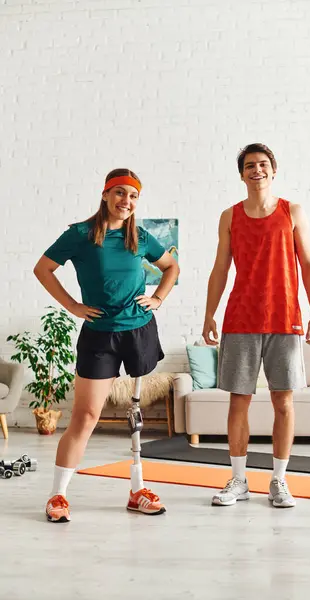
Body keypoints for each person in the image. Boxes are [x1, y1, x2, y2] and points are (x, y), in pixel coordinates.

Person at [34, 168, 179, 522]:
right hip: (99, 334)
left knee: (135, 416)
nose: (125, 201)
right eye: (119, 193)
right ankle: (58, 495)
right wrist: (71, 306)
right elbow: (43, 269)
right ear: (104, 195)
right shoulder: (80, 235)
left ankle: (137, 490)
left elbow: (171, 267)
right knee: (85, 416)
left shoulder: (141, 237)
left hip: (139, 330)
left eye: (132, 196)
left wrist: (158, 297)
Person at [202, 143, 310, 508]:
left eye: (263, 164)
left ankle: (278, 481)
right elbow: (220, 268)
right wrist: (209, 314)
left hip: (285, 320)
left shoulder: (292, 212)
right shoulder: (229, 216)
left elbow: (309, 265)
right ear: (242, 174)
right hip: (240, 320)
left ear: (273, 170)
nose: (257, 170)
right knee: (239, 401)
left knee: (283, 402)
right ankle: (237, 480)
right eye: (250, 165)